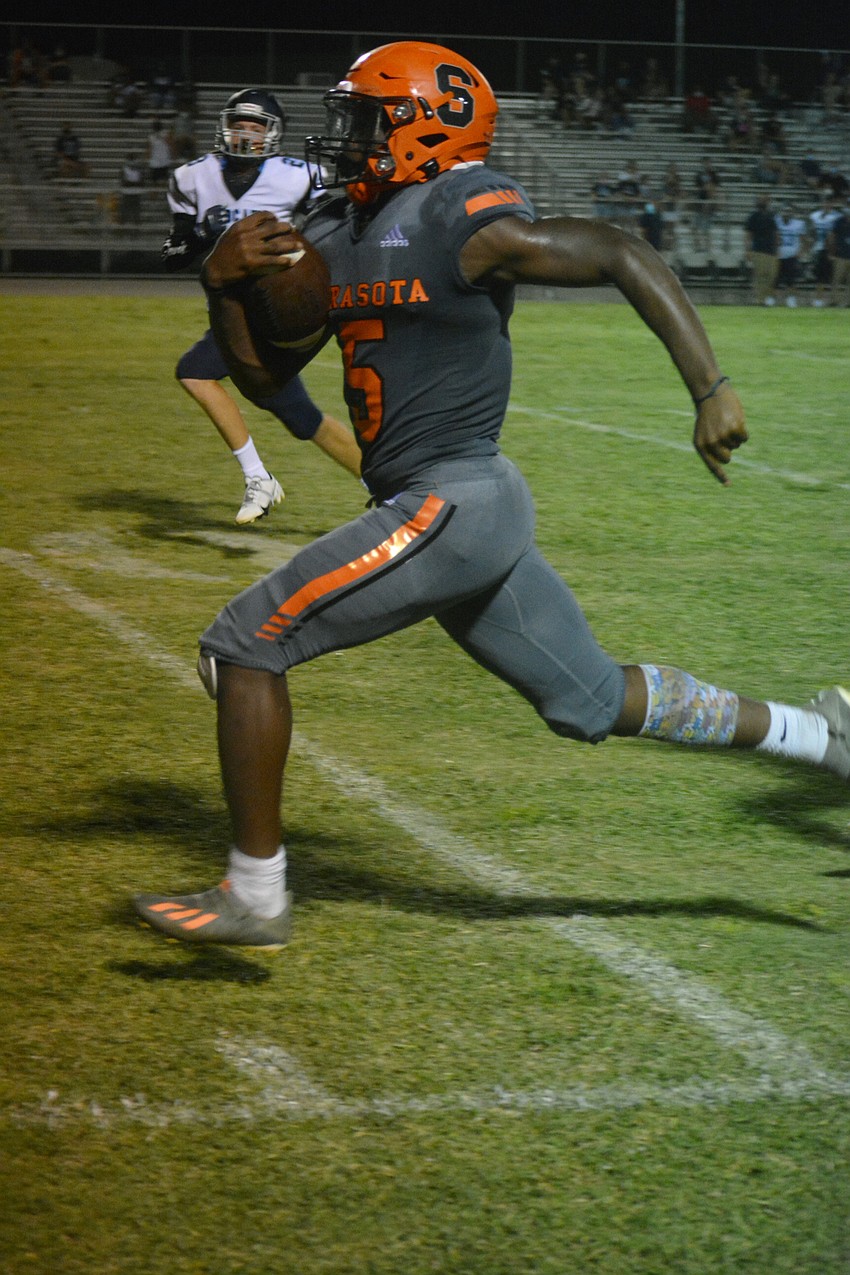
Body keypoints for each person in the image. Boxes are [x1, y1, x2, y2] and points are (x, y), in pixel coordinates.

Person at [133, 42, 850, 949]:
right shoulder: (336, 229)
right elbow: (269, 377)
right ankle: (820, 736)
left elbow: (619, 252)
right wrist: (223, 285)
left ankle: (255, 893)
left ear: (427, 125)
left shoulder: (458, 210)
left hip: (457, 500)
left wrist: (709, 388)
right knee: (588, 699)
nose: (346, 137)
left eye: (368, 118)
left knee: (245, 643)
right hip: (449, 509)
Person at [161, 87, 360, 523]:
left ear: (273, 134)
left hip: (282, 306)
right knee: (300, 416)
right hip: (237, 310)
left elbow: (338, 228)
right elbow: (173, 254)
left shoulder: (299, 174)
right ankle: (384, 487)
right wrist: (197, 235)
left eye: (256, 126)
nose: (246, 133)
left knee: (194, 372)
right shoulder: (193, 176)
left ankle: (259, 479)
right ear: (223, 126)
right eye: (239, 124)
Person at [744, 195, 778, 305]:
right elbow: (748, 234)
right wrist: (748, 250)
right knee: (759, 276)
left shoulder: (772, 216)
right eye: (761, 200)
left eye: (765, 200)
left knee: (771, 276)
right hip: (758, 250)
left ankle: (765, 297)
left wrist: (777, 248)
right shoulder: (753, 216)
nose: (763, 202)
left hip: (771, 251)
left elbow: (776, 233)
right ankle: (759, 300)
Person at [772, 206, 809, 307]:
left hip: (792, 256)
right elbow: (773, 237)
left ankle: (791, 299)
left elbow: (804, 239)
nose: (786, 214)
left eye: (788, 212)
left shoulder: (798, 224)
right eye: (784, 211)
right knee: (776, 279)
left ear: (792, 213)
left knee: (791, 280)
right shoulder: (777, 222)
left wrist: (801, 252)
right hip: (779, 255)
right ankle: (773, 299)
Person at [809, 196, 840, 306]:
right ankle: (819, 299)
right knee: (819, 276)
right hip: (819, 248)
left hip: (832, 250)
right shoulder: (815, 215)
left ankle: (832, 300)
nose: (827, 205)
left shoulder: (837, 217)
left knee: (832, 276)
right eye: (825, 202)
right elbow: (812, 232)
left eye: (829, 202)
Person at [829, 203, 850, 306]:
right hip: (840, 255)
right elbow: (832, 236)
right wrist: (832, 252)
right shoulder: (839, 221)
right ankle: (834, 301)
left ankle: (848, 302)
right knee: (836, 279)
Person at [146, 118, 173, 185]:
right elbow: (149, 148)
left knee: (163, 182)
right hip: (156, 162)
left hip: (163, 161)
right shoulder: (151, 137)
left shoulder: (165, 135)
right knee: (155, 183)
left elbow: (170, 144)